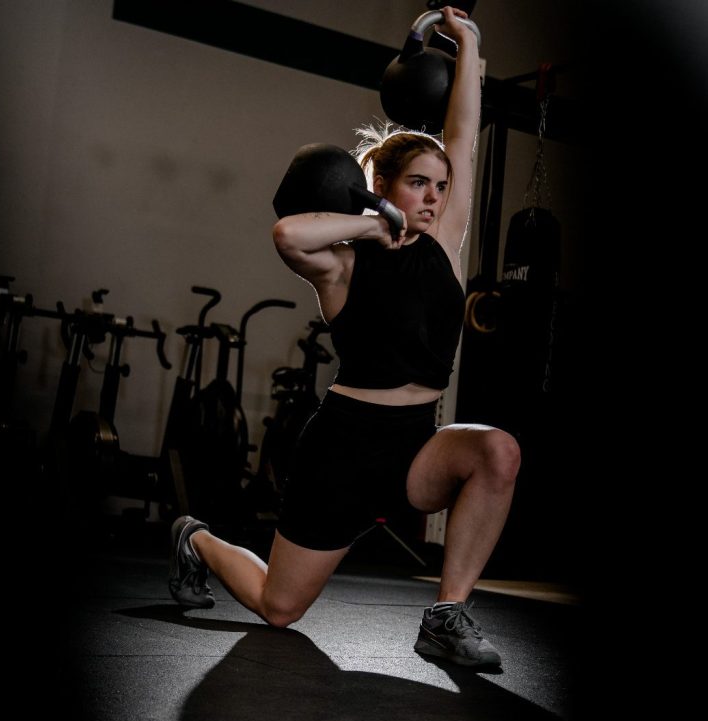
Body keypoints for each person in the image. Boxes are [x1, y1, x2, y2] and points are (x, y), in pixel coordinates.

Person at [168, 7, 520, 667]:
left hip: (414, 446)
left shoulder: (445, 246)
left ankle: (446, 614)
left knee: (498, 450)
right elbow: (287, 233)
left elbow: (463, 134)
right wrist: (372, 222)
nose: (433, 198)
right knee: (279, 608)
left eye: (440, 187)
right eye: (417, 184)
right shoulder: (344, 266)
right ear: (381, 187)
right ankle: (197, 539)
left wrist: (469, 46)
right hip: (343, 450)